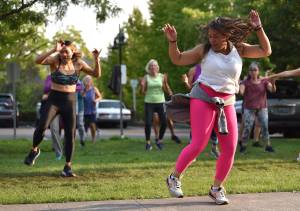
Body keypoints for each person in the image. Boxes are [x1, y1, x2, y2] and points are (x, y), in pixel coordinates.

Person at [163, 10, 271, 205]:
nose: (212, 39)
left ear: (226, 35)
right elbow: (177, 59)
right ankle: (174, 177)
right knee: (198, 144)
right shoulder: (204, 50)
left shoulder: (239, 49)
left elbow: (266, 51)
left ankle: (216, 189)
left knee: (229, 148)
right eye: (210, 35)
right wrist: (173, 42)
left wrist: (258, 28)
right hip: (203, 97)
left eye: (216, 36)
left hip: (227, 101)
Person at [24, 40, 101, 177]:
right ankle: (34, 150)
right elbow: (38, 60)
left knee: (70, 134)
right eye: (62, 51)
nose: (64, 54)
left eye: (67, 52)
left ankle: (67, 167)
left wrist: (97, 59)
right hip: (54, 99)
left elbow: (96, 74)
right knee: (42, 125)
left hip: (69, 102)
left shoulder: (79, 64)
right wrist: (54, 49)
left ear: (72, 52)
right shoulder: (55, 60)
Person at [182, 64, 220, 159]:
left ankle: (214, 147)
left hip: (212, 100)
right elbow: (190, 87)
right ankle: (192, 151)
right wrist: (186, 82)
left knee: (214, 122)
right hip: (198, 99)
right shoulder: (194, 70)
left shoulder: (214, 67)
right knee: (196, 124)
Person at [239, 62, 276, 153]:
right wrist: (239, 85)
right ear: (249, 72)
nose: (253, 72)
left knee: (265, 127)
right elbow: (241, 92)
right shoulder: (245, 82)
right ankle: (243, 146)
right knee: (247, 127)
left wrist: (273, 82)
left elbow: (272, 90)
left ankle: (268, 146)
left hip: (262, 107)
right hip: (249, 108)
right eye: (251, 70)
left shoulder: (264, 81)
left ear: (258, 71)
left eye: (255, 70)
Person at [140, 59, 172, 151]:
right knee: (148, 123)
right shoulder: (146, 77)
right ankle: (148, 143)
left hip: (161, 102)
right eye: (151, 66)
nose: (153, 67)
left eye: (155, 66)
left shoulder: (162, 77)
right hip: (149, 102)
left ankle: (159, 140)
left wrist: (165, 83)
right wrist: (142, 86)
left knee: (164, 123)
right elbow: (142, 92)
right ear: (149, 68)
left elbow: (167, 91)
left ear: (157, 68)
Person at [40, 74, 63, 160]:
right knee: (54, 129)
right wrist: (46, 96)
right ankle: (58, 153)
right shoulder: (48, 77)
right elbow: (45, 89)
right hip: (52, 106)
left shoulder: (65, 74)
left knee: (69, 129)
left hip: (64, 104)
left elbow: (78, 86)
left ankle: (68, 150)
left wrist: (49, 94)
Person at [82, 75, 102, 144]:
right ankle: (83, 139)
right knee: (85, 126)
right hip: (84, 110)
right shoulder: (83, 90)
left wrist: (96, 100)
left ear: (91, 82)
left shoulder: (94, 89)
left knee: (92, 125)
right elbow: (79, 98)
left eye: (89, 80)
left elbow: (100, 97)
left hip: (92, 110)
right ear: (84, 82)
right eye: (86, 80)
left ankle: (93, 139)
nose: (87, 82)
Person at [76, 79, 85, 147]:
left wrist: (83, 92)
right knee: (70, 126)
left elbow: (82, 95)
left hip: (79, 108)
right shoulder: (67, 81)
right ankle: (69, 142)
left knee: (80, 124)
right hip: (70, 108)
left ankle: (82, 140)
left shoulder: (80, 83)